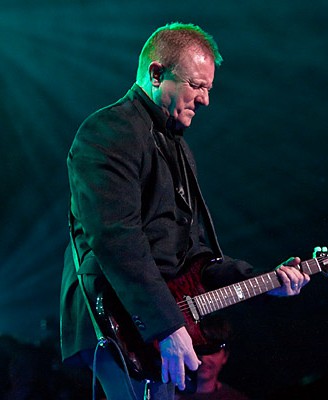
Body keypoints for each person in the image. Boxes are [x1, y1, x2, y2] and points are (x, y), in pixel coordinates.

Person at [60, 22, 309, 400]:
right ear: (156, 74)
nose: (205, 99)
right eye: (197, 85)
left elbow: (193, 255)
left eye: (209, 88)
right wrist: (166, 326)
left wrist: (265, 279)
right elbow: (115, 238)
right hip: (119, 319)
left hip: (161, 318)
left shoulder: (179, 148)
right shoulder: (108, 130)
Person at [175, 315, 250, 400]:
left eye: (212, 351)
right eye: (199, 350)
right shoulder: (166, 395)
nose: (204, 358)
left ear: (225, 356)